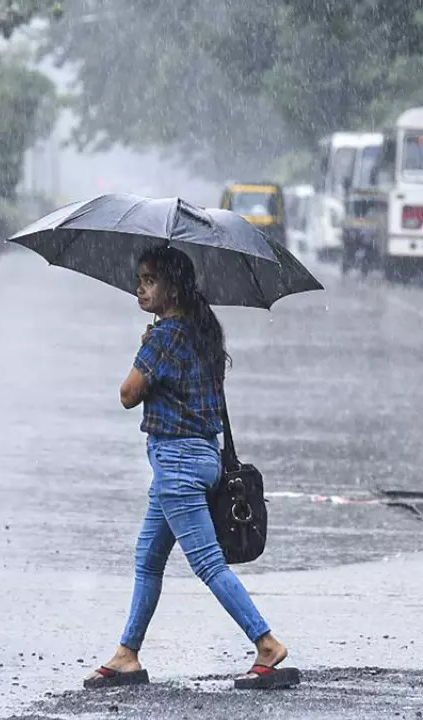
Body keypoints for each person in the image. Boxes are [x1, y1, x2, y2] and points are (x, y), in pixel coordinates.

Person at [85, 245, 294, 691]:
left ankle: (266, 643)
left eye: (149, 280)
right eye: (138, 279)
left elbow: (128, 394)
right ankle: (127, 654)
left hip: (177, 464)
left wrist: (147, 350)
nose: (139, 288)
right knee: (148, 557)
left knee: (208, 563)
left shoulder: (165, 337)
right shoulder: (201, 334)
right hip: (200, 458)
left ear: (173, 288)